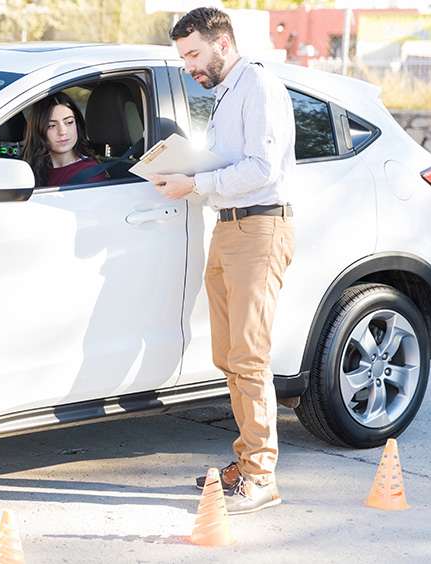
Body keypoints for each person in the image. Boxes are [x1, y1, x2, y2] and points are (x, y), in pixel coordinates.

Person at [149, 7, 296, 515]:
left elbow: (262, 168)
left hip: (259, 227)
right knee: (228, 356)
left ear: (224, 44)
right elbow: (232, 167)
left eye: (194, 54)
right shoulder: (226, 92)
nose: (189, 66)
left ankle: (261, 477)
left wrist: (195, 182)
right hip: (229, 227)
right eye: (184, 57)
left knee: (249, 356)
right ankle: (247, 459)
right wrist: (186, 177)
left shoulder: (257, 86)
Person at [22, 92, 106, 187]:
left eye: (69, 122)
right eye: (52, 126)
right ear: (38, 130)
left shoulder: (90, 174)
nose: (62, 132)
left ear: (77, 125)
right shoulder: (33, 169)